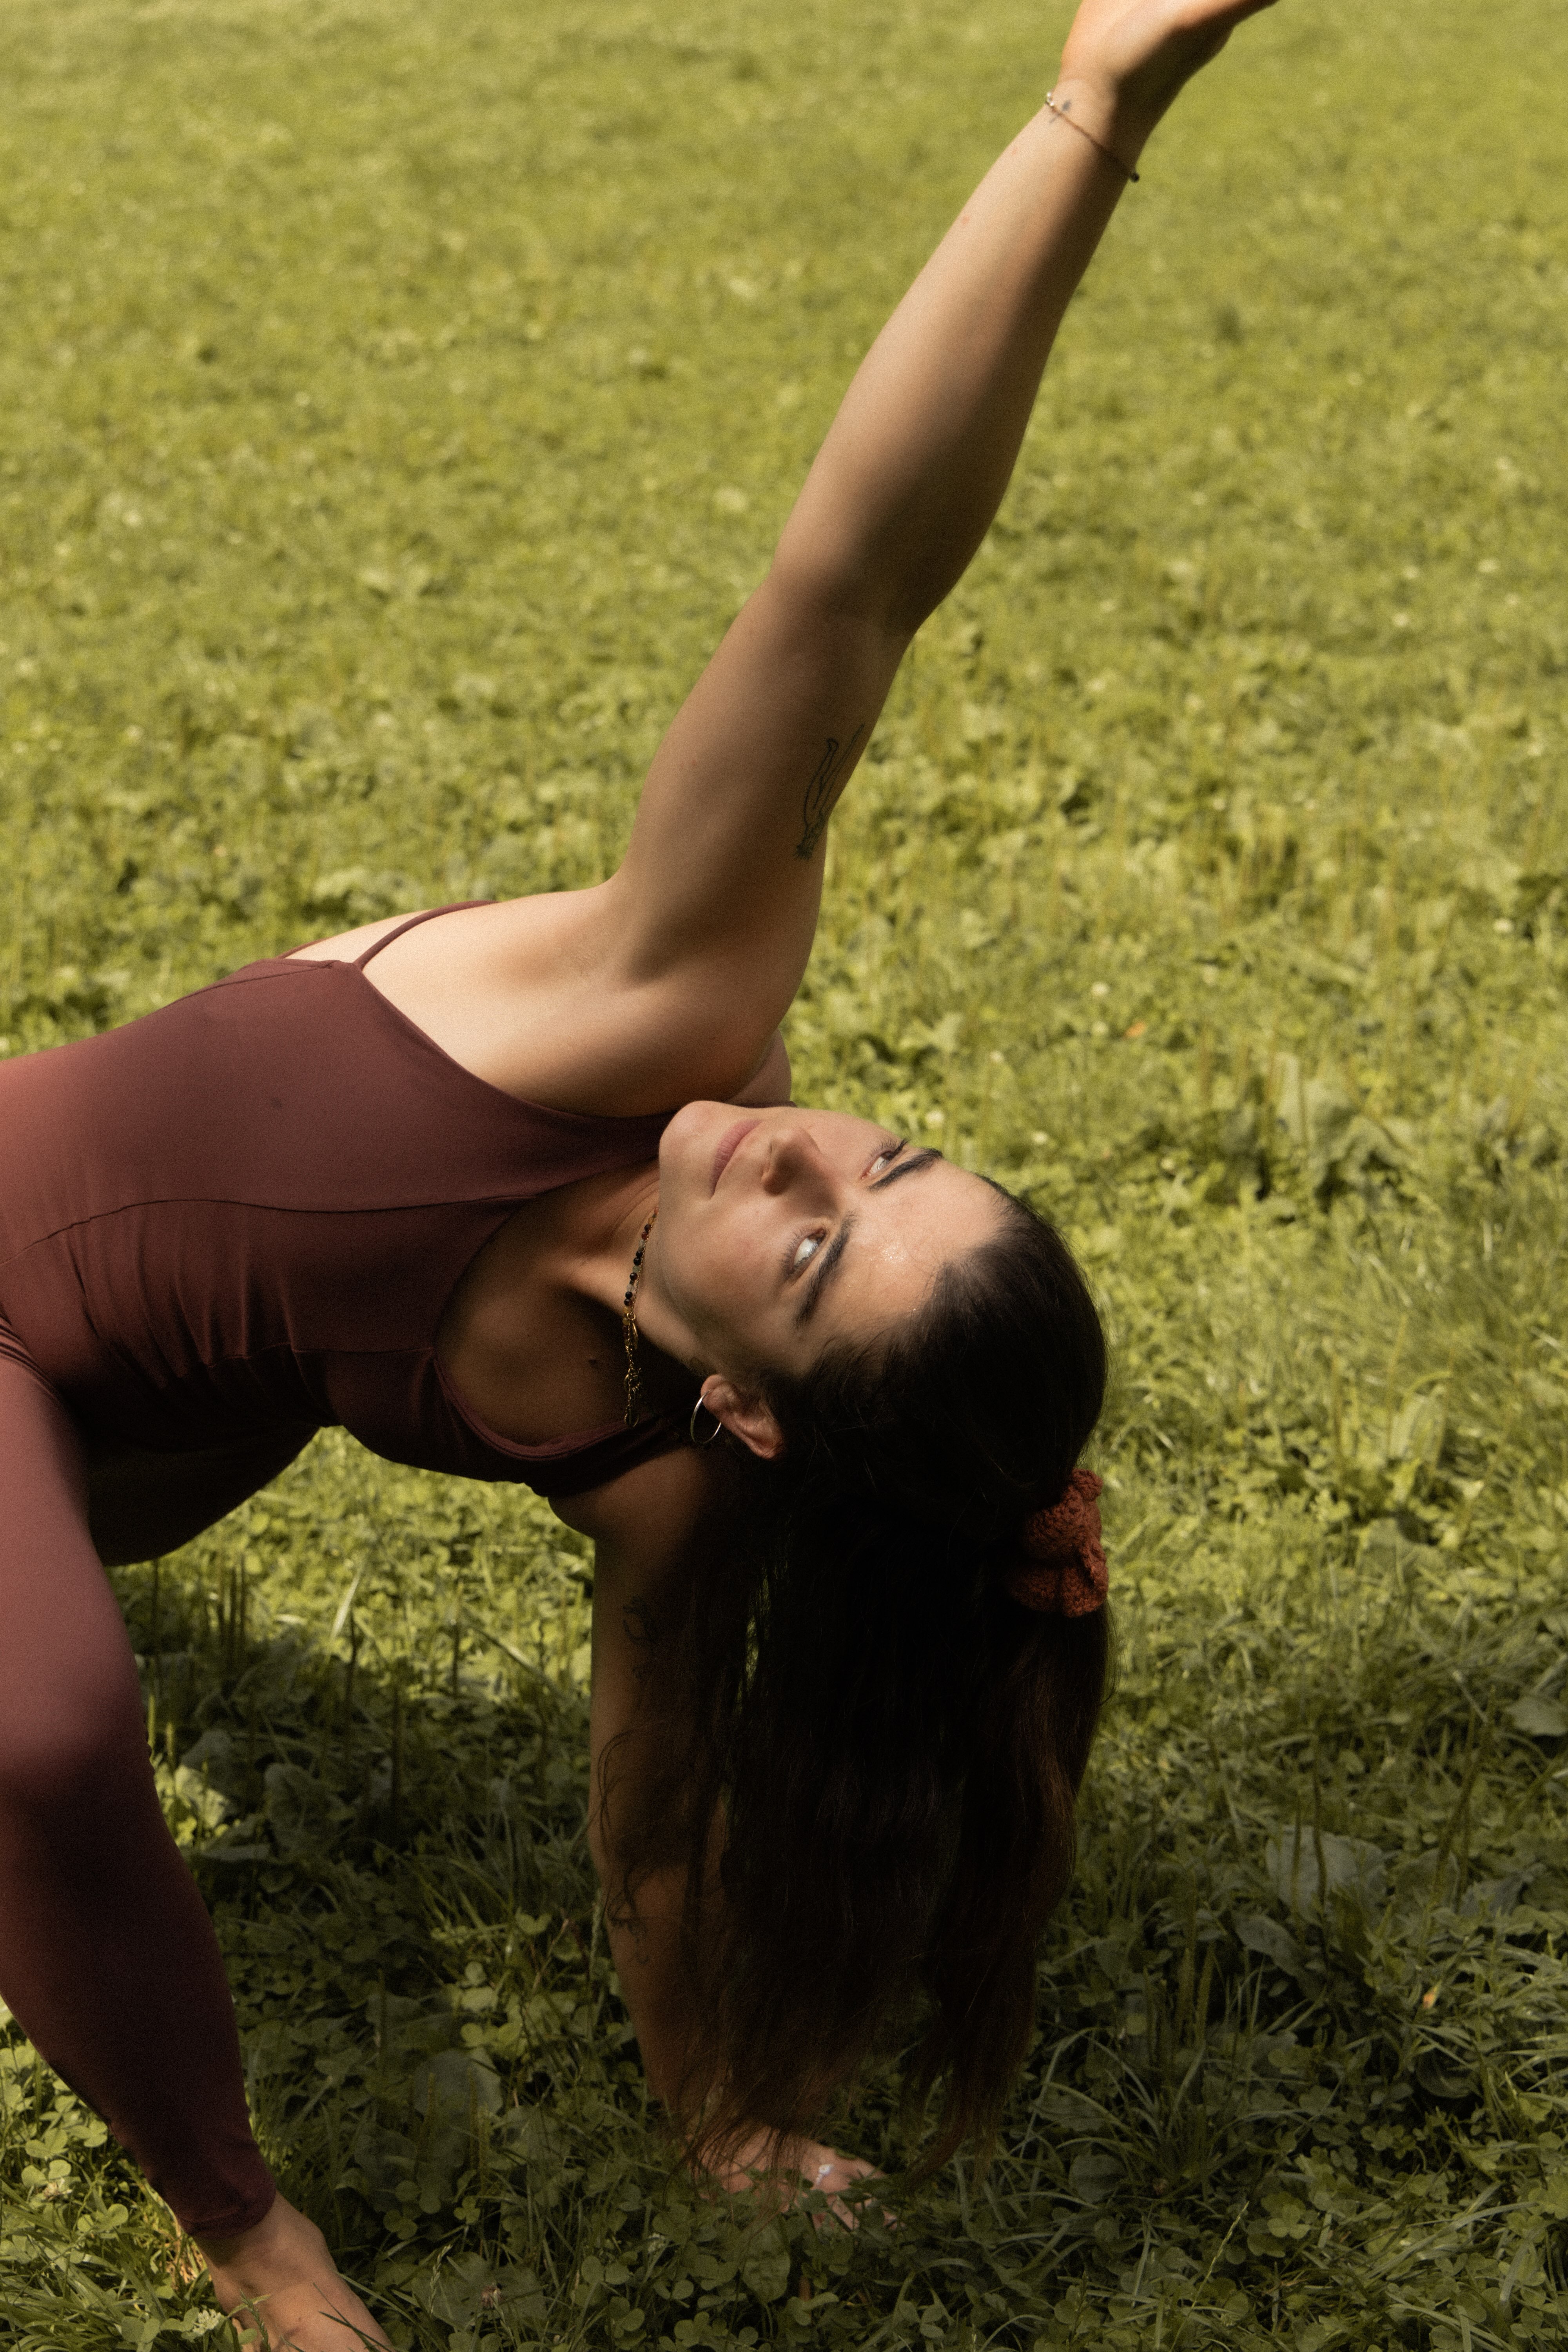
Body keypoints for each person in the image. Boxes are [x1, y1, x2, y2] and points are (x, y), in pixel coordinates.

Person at [0, 1, 1276, 2341]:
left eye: (811, 1240)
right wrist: (1101, 98)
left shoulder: (666, 1495)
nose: (797, 1127)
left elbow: (663, 1825)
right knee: (50, 1728)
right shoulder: (657, 1007)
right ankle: (250, 2233)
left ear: (757, 1415)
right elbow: (851, 591)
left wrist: (713, 2110)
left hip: (120, 1437)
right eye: (883, 1151)